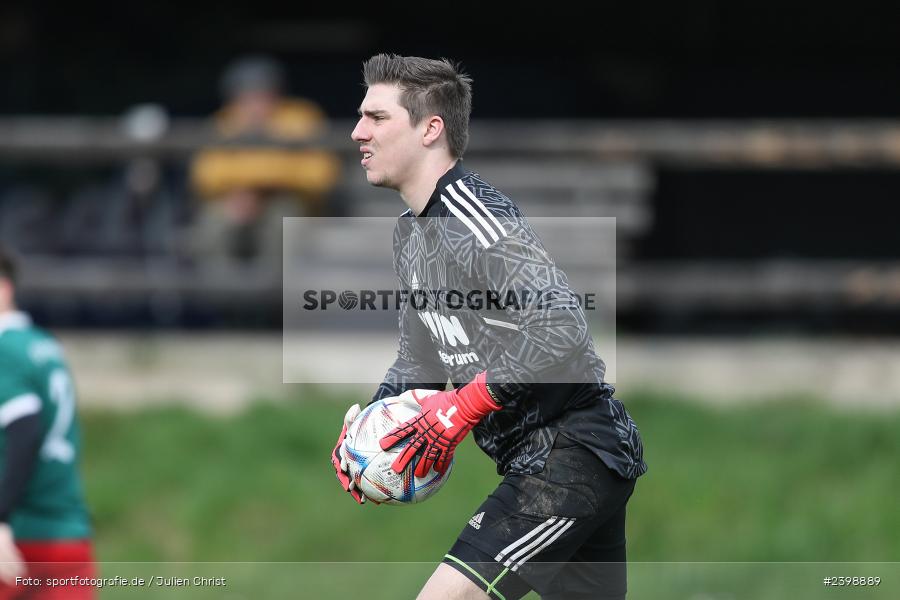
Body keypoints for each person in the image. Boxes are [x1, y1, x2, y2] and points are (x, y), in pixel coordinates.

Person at [331, 54, 647, 599]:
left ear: (431, 129)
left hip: (567, 455)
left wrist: (463, 407)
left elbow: (562, 326)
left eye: (377, 118)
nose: (358, 132)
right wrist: (373, 432)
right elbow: (419, 363)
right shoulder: (412, 232)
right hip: (558, 460)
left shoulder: (476, 215)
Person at [0, 247, 94, 599]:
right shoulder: (45, 345)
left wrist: (1, 519)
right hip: (69, 532)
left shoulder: (4, 349)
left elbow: (24, 429)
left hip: (18, 539)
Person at [188, 54, 341, 269]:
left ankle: (275, 298)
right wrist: (240, 192)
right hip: (234, 198)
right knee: (211, 224)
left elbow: (321, 174)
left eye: (263, 93)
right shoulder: (223, 121)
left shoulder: (301, 116)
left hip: (290, 199)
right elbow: (204, 176)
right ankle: (220, 297)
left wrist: (266, 188)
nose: (256, 102)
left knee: (283, 222)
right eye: (247, 95)